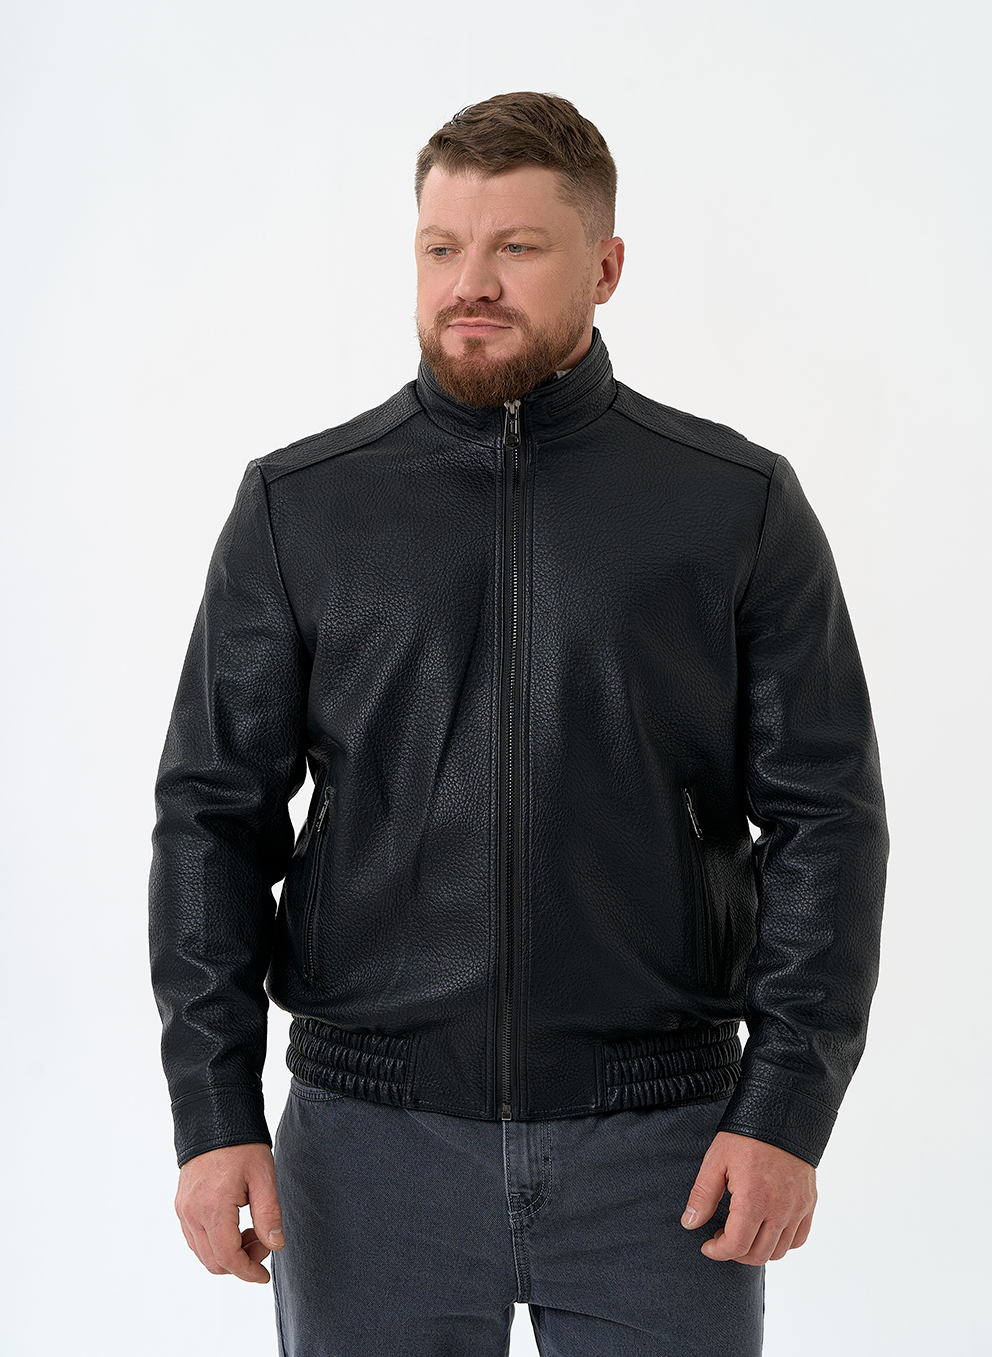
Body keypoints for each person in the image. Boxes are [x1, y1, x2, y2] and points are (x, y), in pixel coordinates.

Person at [149, 91, 888, 1356]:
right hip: (368, 1142)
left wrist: (782, 1106)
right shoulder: (299, 506)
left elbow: (826, 819)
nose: (469, 283)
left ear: (604, 267)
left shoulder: (732, 505)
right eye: (440, 246)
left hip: (662, 1143)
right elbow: (212, 818)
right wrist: (213, 1112)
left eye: (516, 247)